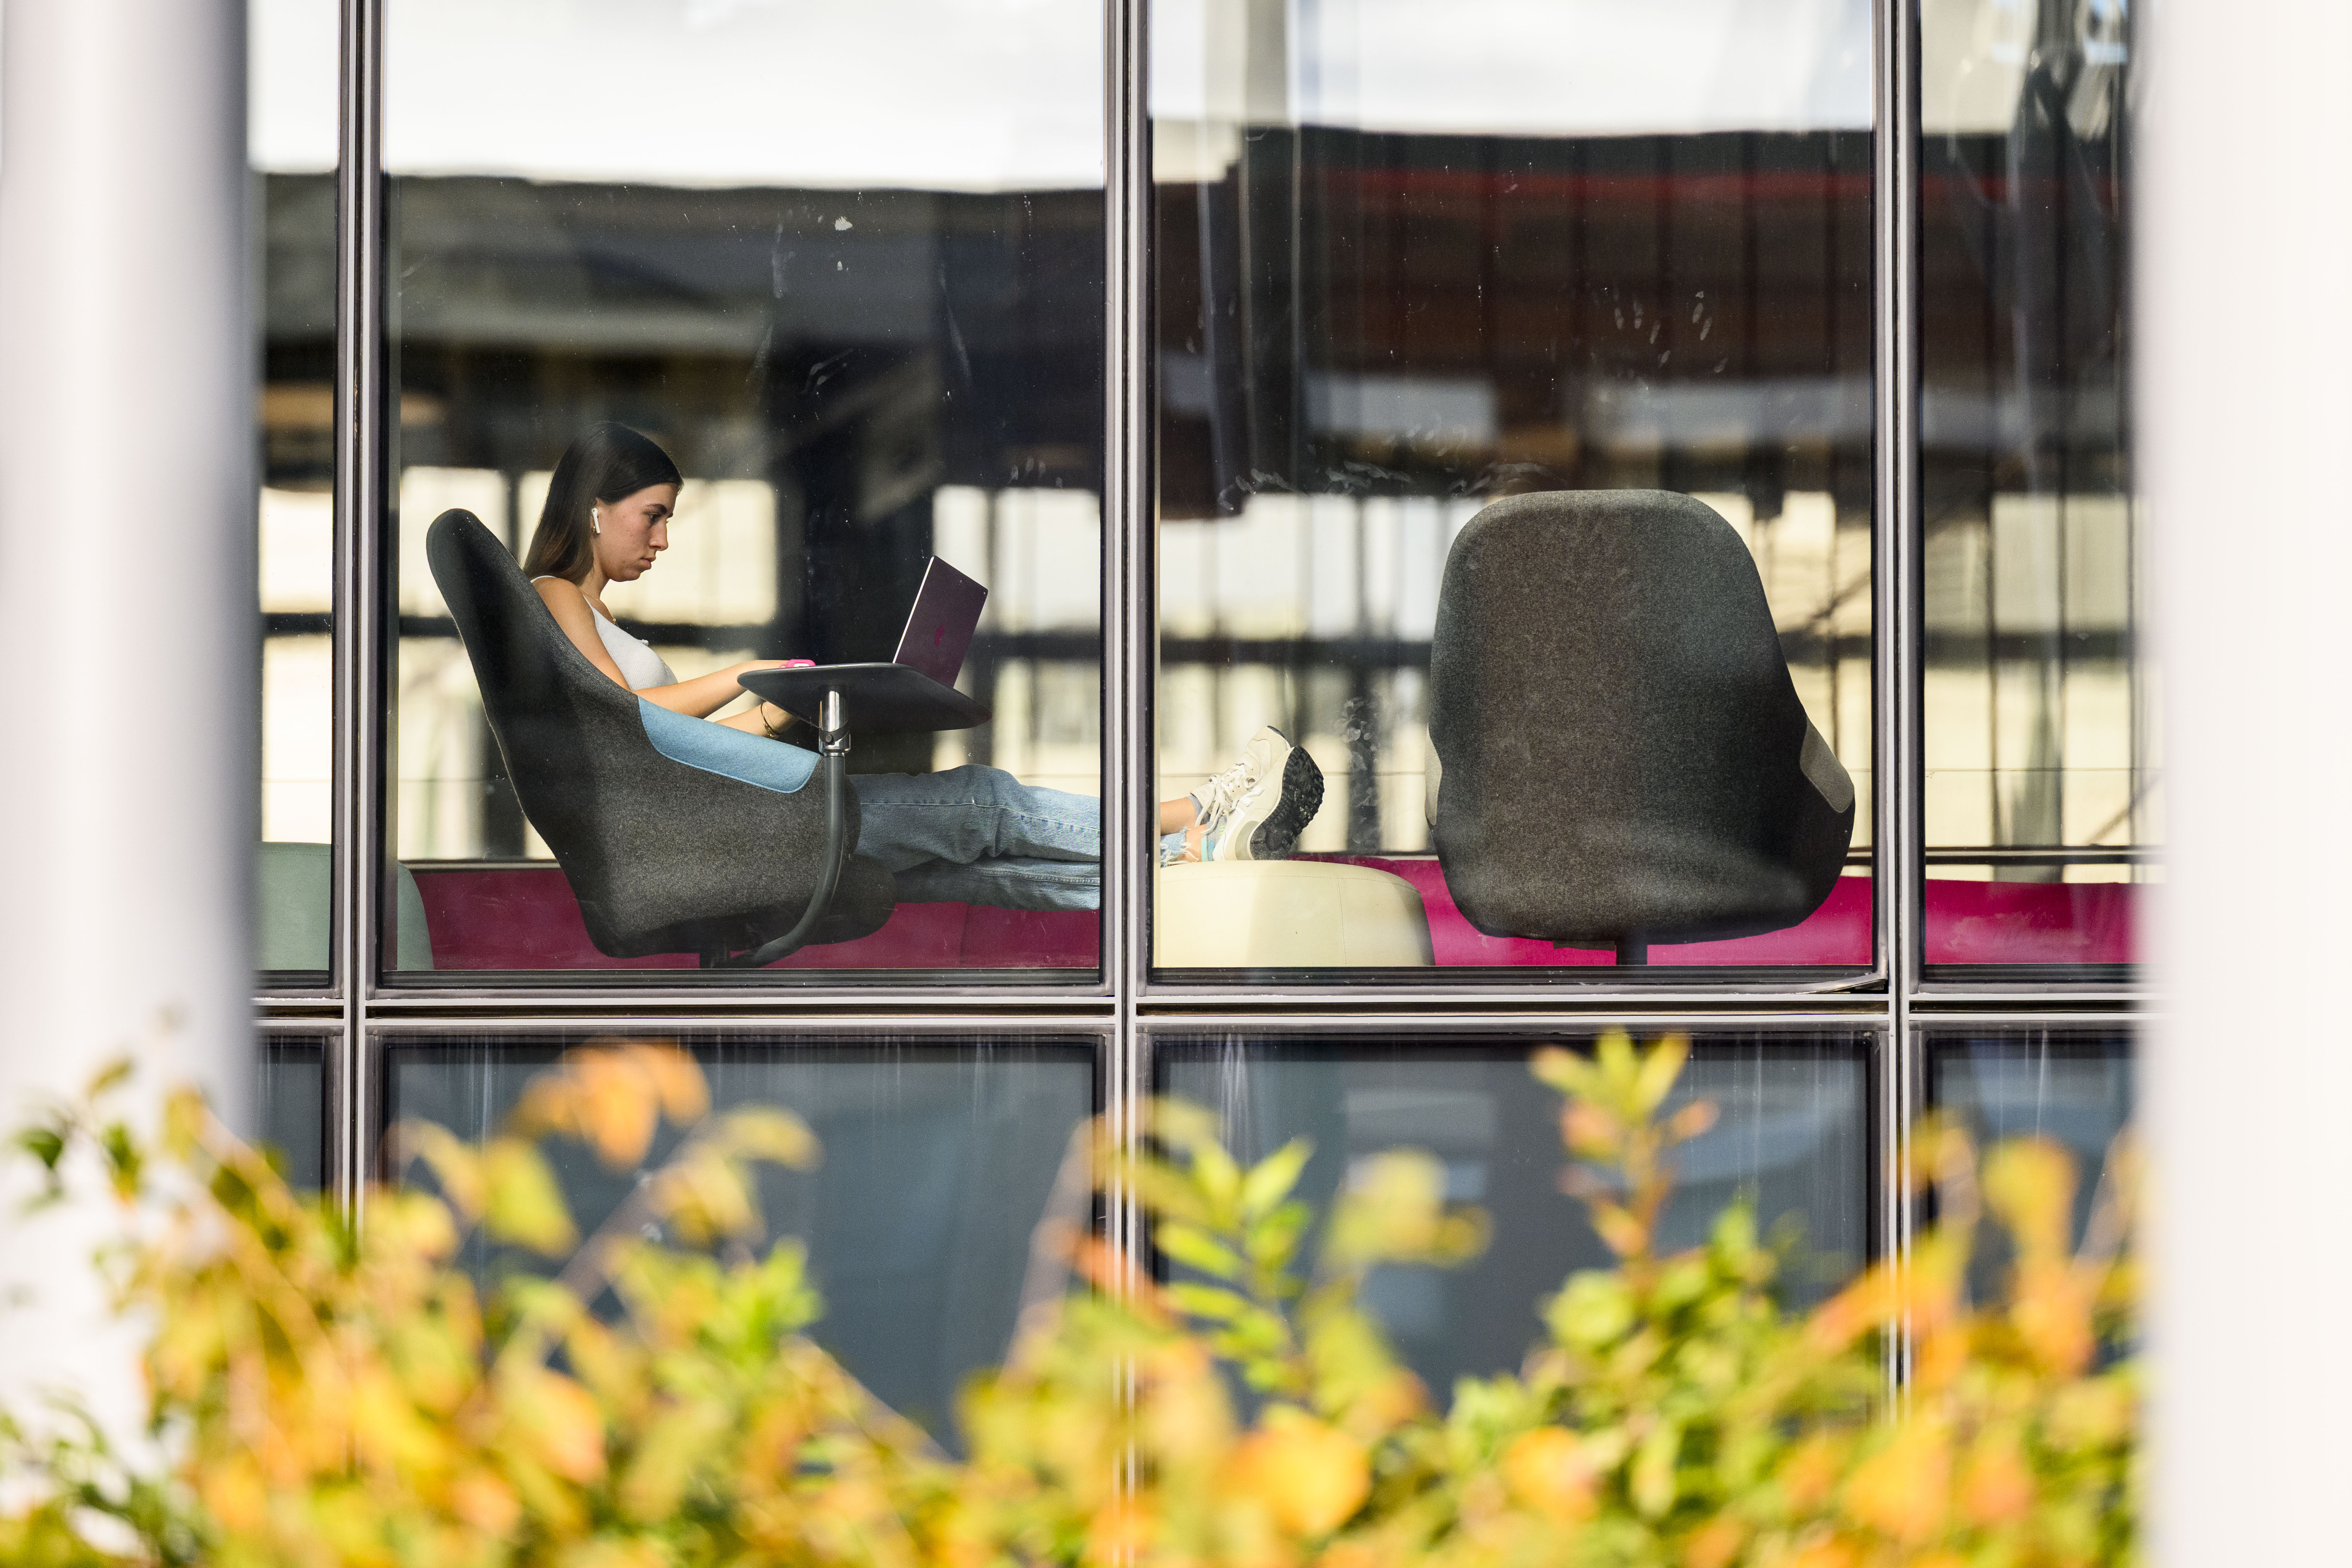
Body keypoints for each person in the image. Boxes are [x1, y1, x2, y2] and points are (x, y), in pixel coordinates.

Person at [522, 423, 1322, 912]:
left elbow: (658, 742)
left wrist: (792, 704)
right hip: (719, 834)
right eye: (651, 516)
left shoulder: (595, 618)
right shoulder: (553, 593)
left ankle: (1188, 868)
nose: (661, 540)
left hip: (712, 828)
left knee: (985, 870)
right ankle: (1196, 813)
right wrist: (750, 673)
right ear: (595, 507)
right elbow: (629, 711)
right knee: (982, 801)